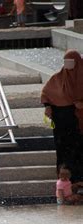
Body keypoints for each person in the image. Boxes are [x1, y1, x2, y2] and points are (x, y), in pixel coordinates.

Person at [42, 50, 83, 183]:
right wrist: (47, 106)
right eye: (65, 62)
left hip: (77, 121)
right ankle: (63, 183)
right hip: (60, 122)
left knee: (78, 150)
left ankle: (78, 183)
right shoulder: (57, 78)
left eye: (71, 62)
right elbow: (47, 93)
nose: (68, 65)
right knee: (63, 151)